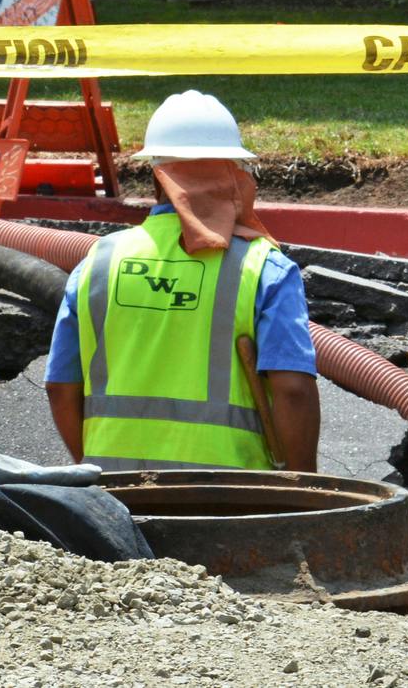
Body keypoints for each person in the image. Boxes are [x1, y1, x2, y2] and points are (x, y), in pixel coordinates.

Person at [42, 90, 319, 471]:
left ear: (156, 176)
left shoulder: (98, 263)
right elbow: (293, 391)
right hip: (234, 497)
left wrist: (96, 468)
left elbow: (60, 388)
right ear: (234, 175)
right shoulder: (263, 267)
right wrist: (304, 490)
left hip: (117, 495)